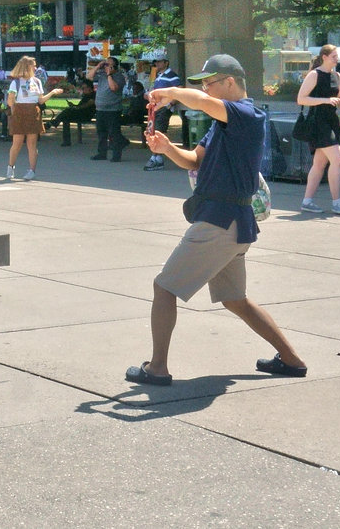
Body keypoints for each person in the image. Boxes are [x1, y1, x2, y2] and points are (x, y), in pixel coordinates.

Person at [130, 54, 308, 387]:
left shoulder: (247, 114)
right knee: (234, 299)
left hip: (218, 222)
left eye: (209, 83)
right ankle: (292, 359)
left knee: (164, 287)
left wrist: (169, 92)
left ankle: (157, 369)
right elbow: (193, 161)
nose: (205, 90)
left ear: (229, 81)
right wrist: (167, 148)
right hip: (233, 225)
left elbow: (197, 101)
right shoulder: (224, 123)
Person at [297, 44, 340, 214]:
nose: (337, 59)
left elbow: (339, 104)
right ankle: (336, 202)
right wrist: (325, 100)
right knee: (338, 159)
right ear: (324, 57)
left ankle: (307, 201)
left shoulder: (336, 76)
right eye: (334, 56)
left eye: (337, 56)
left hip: (331, 120)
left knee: (320, 163)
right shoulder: (314, 75)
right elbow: (301, 99)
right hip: (318, 121)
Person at [5, 56, 63, 181]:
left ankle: (32, 170)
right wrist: (13, 105)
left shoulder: (36, 81)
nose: (35, 68)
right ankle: (11, 167)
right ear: (26, 66)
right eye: (33, 65)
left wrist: (53, 92)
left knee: (32, 143)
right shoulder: (16, 82)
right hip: (20, 111)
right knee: (17, 143)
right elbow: (10, 101)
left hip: (33, 111)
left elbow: (40, 100)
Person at [145, 56, 182, 171]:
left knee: (159, 131)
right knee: (152, 131)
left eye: (160, 62)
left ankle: (158, 158)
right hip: (155, 107)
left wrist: (170, 105)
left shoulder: (171, 75)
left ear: (166, 63)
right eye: (156, 62)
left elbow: (179, 90)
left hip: (164, 107)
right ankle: (156, 156)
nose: (157, 64)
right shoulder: (157, 75)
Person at [89, 55, 126, 162]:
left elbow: (113, 88)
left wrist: (109, 74)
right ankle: (102, 153)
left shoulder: (119, 77)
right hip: (100, 109)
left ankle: (116, 155)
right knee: (101, 133)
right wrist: (98, 66)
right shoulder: (102, 75)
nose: (105, 67)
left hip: (113, 110)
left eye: (108, 65)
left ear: (114, 67)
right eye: (105, 64)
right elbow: (89, 77)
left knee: (114, 133)